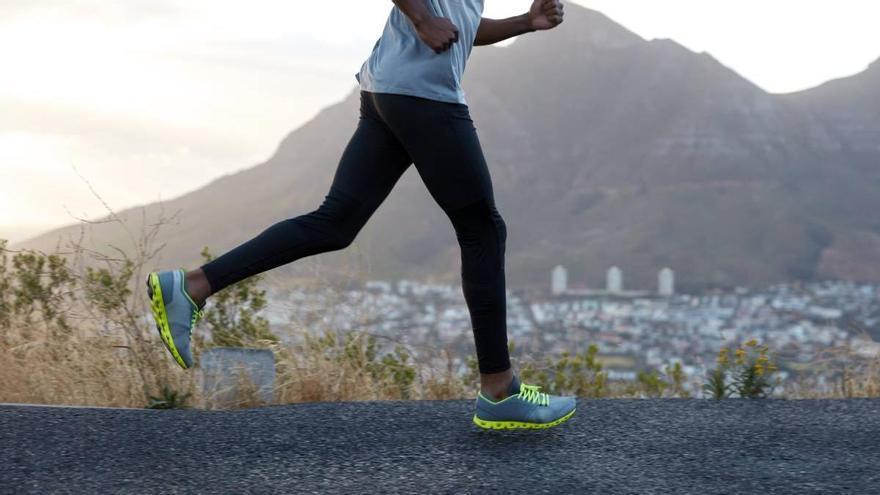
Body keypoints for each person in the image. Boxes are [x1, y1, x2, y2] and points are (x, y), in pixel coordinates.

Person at [146, 0, 575, 429]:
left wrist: (525, 22)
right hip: (423, 95)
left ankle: (192, 286)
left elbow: (460, 23)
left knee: (335, 222)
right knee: (482, 230)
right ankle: (499, 392)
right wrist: (422, 19)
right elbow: (436, 20)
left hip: (388, 90)